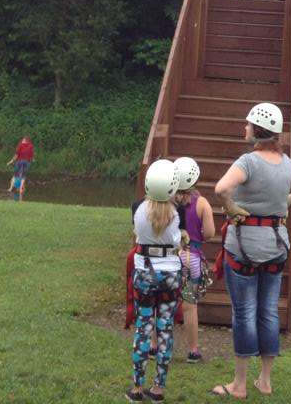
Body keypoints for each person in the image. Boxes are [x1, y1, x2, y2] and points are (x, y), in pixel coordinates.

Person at [211, 103, 291, 399]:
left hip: (244, 247)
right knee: (269, 311)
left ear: (257, 130)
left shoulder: (247, 162)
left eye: (248, 124)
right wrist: (287, 201)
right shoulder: (287, 164)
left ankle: (239, 385)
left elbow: (221, 188)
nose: (244, 128)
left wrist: (230, 206)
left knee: (244, 313)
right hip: (276, 246)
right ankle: (266, 381)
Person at [127, 159, 183, 402]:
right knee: (165, 328)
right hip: (170, 275)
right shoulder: (177, 212)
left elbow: (137, 234)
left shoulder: (137, 208)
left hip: (145, 273)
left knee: (143, 327)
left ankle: (137, 387)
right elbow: (178, 238)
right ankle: (158, 388)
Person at [174, 156, 216, 363]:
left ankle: (155, 347)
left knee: (163, 303)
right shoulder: (202, 203)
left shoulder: (167, 200)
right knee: (190, 307)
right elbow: (209, 234)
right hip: (192, 258)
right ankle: (192, 351)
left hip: (171, 258)